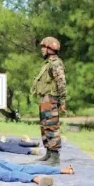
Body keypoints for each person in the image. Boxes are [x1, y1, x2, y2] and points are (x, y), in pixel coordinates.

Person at [31, 37, 67, 165]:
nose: (42, 50)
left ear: (50, 48)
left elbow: (61, 82)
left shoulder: (56, 63)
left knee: (51, 126)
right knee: (45, 126)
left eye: (44, 47)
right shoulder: (48, 63)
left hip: (51, 98)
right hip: (45, 98)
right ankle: (49, 153)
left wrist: (63, 100)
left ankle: (55, 156)